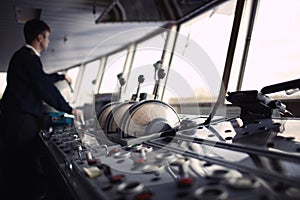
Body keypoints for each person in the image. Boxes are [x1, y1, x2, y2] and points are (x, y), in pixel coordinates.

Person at [0, 19, 82, 199]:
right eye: (48, 38)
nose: (49, 42)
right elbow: (43, 86)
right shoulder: (29, 58)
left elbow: (41, 79)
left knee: (17, 163)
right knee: (21, 164)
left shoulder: (22, 57)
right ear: (40, 37)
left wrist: (60, 76)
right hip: (20, 122)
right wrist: (70, 109)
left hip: (15, 118)